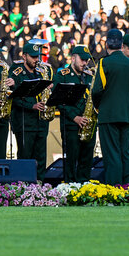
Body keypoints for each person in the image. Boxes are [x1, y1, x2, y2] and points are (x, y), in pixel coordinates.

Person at [91, 29, 129, 185]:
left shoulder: (104, 62)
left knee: (112, 155)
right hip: (126, 115)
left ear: (106, 44)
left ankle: (114, 189)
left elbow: (97, 90)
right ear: (121, 45)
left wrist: (99, 107)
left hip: (108, 115)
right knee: (126, 153)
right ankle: (128, 188)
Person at [52, 45, 95, 182]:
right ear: (73, 58)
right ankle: (70, 187)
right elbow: (58, 101)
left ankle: (84, 187)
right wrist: (74, 117)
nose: (85, 63)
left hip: (88, 124)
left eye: (87, 60)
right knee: (71, 160)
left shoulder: (89, 76)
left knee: (87, 159)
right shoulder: (62, 75)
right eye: (82, 60)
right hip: (71, 125)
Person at [10, 42, 52, 181]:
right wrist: (32, 106)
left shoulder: (41, 72)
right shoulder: (16, 72)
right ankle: (24, 187)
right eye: (33, 57)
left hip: (41, 122)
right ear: (24, 56)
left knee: (40, 157)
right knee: (25, 158)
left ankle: (39, 186)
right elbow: (13, 97)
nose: (36, 60)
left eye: (37, 57)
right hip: (24, 123)